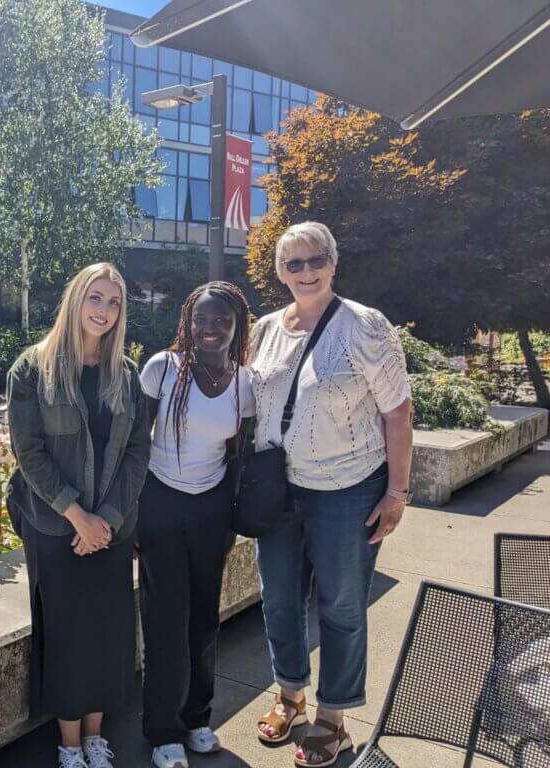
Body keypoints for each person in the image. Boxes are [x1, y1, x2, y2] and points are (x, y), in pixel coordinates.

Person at [251, 222, 413, 767]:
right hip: (278, 492)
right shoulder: (266, 329)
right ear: (281, 271)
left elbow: (398, 411)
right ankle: (290, 694)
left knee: (341, 606)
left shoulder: (364, 325)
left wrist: (397, 491)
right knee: (278, 598)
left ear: (333, 263)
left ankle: (333, 719)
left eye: (315, 260)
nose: (305, 272)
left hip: (348, 491)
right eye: (293, 263)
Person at [6, 262, 151, 768]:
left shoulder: (125, 375)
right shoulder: (33, 369)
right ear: (75, 300)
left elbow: (138, 452)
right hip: (54, 527)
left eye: (114, 302)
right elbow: (29, 453)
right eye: (95, 298)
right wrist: (77, 516)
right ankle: (69, 745)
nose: (103, 311)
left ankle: (95, 736)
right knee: (67, 635)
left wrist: (105, 517)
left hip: (111, 529)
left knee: (108, 633)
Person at [137, 282, 255, 768]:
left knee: (204, 619)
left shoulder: (245, 383)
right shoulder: (162, 369)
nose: (210, 328)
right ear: (187, 322)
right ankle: (163, 729)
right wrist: (133, 516)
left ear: (237, 326)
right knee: (166, 621)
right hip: (160, 503)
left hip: (211, 510)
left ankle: (196, 718)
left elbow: (237, 457)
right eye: (201, 319)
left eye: (221, 320)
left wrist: (230, 523)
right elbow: (135, 445)